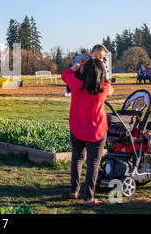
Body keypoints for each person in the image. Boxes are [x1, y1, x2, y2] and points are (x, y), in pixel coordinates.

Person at [61, 58, 114, 206]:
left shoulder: (76, 84)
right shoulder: (103, 88)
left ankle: (74, 190)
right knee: (93, 163)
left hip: (77, 128)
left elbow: (64, 75)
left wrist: (76, 66)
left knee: (77, 158)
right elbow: (109, 87)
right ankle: (88, 197)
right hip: (96, 130)